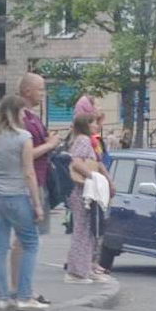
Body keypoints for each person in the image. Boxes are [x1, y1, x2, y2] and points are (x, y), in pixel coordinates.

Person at [0, 95, 48, 311]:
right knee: (31, 244)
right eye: (21, 112)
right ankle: (24, 296)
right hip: (17, 195)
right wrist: (37, 204)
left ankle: (3, 298)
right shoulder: (23, 137)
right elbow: (29, 173)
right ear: (15, 113)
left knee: (0, 248)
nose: (23, 116)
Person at [11, 72, 65, 294]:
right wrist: (50, 144)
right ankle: (22, 289)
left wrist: (48, 140)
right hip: (29, 184)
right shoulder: (21, 118)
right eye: (40, 89)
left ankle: (20, 288)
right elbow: (25, 155)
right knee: (27, 240)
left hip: (39, 180)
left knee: (28, 239)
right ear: (27, 91)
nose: (44, 93)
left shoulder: (32, 117)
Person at [63, 115, 103, 283]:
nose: (97, 126)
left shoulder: (80, 139)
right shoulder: (84, 140)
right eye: (94, 122)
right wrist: (93, 176)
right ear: (86, 125)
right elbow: (76, 162)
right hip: (82, 190)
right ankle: (76, 272)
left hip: (82, 190)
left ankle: (83, 268)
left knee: (85, 229)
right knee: (82, 229)